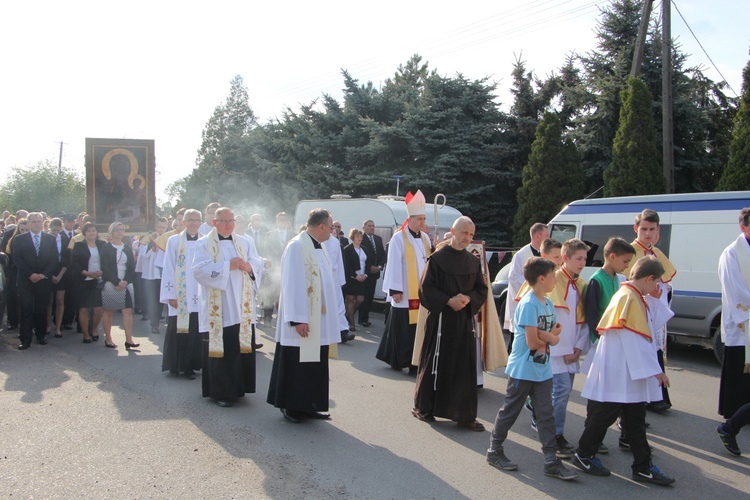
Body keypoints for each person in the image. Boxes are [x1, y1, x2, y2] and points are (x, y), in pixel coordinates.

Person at [572, 256, 675, 485]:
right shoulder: (629, 297)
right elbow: (635, 340)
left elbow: (648, 327)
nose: (657, 286)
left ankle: (642, 466)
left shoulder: (635, 295)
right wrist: (654, 370)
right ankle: (583, 454)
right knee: (605, 416)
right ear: (649, 278)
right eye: (656, 281)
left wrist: (656, 301)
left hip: (626, 372)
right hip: (619, 372)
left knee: (635, 418)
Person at [486, 257, 577, 481]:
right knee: (510, 412)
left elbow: (554, 330)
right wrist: (551, 339)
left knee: (546, 415)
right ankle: (494, 451)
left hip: (542, 370)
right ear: (541, 278)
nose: (556, 280)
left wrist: (547, 336)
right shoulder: (528, 304)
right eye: (553, 276)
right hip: (523, 370)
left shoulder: (546, 302)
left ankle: (550, 461)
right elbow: (533, 342)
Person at [412, 216, 487, 431]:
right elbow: (426, 288)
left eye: (471, 234)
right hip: (441, 322)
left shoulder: (473, 261)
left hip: (463, 322)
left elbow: (481, 290)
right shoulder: (437, 259)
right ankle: (424, 407)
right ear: (453, 232)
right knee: (435, 363)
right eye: (464, 233)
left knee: (463, 368)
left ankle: (464, 415)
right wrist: (448, 301)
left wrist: (468, 299)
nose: (468, 238)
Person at [267, 209, 342, 423]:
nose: (332, 231)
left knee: (314, 364)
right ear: (321, 227)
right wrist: (297, 319)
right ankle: (291, 406)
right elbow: (291, 284)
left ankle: (311, 404)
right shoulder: (297, 246)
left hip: (318, 319)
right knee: (296, 363)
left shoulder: (320, 247)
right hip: (302, 319)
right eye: (331, 227)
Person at [193, 207, 264, 407]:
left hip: (242, 306)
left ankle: (240, 388)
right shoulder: (203, 243)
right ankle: (221, 392)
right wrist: (227, 266)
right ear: (214, 222)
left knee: (239, 345)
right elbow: (198, 271)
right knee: (223, 348)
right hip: (220, 306)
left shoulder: (245, 241)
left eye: (231, 220)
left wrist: (251, 267)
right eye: (223, 221)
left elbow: (258, 262)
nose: (228, 224)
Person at [583, 237, 636, 450]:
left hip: (618, 343)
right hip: (603, 344)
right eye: (625, 261)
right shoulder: (596, 280)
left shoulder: (619, 278)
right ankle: (592, 432)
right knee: (598, 392)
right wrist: (601, 338)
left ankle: (619, 434)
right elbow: (592, 314)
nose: (627, 266)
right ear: (612, 257)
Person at [623, 209, 677, 413]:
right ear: (636, 228)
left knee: (655, 350)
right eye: (643, 229)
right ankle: (636, 405)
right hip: (636, 310)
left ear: (657, 230)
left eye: (651, 229)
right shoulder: (628, 252)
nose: (647, 233)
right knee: (640, 353)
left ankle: (655, 398)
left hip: (654, 311)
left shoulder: (657, 253)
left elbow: (665, 282)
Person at [376, 190, 432, 375]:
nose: (423, 223)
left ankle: (414, 361)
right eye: (420, 219)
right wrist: (395, 290)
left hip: (420, 292)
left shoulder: (424, 238)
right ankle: (405, 361)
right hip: (405, 293)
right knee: (404, 330)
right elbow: (392, 264)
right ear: (411, 219)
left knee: (417, 329)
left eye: (424, 219)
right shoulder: (398, 238)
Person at [546, 238, 590, 458]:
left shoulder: (582, 284)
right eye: (578, 258)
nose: (582, 263)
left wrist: (579, 348)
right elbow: (550, 318)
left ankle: (552, 431)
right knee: (561, 392)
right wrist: (563, 350)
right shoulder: (552, 280)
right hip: (556, 350)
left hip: (572, 350)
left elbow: (583, 321)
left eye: (584, 258)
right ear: (565, 258)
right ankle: (554, 436)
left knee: (563, 394)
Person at [160, 209, 203, 378]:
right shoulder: (174, 241)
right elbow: (168, 267)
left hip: (198, 293)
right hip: (180, 292)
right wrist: (170, 293)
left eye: (196, 220)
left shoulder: (206, 242)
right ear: (183, 222)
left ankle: (190, 366)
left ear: (200, 222)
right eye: (190, 220)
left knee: (194, 329)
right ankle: (174, 364)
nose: (193, 223)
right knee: (178, 329)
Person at [717, 207, 750, 423]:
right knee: (739, 368)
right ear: (743, 227)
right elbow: (734, 289)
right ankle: (733, 412)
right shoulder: (732, 252)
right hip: (742, 321)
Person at [12, 212, 59, 350]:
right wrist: (31, 274)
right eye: (33, 221)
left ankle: (41, 335)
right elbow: (17, 259)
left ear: (42, 222)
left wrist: (43, 274)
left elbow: (54, 260)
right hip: (26, 280)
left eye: (39, 221)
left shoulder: (50, 239)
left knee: (41, 309)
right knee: (26, 309)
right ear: (28, 223)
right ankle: (25, 339)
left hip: (43, 280)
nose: (36, 224)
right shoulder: (19, 239)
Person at [505, 223, 549, 352]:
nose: (548, 237)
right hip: (523, 302)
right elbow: (513, 278)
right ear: (537, 236)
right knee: (518, 340)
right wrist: (535, 285)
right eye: (546, 235)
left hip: (539, 302)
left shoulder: (544, 253)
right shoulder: (521, 255)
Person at [100, 222, 139, 349]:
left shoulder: (127, 248)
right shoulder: (106, 248)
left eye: (122, 229)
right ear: (112, 232)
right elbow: (105, 267)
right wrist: (116, 282)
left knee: (127, 311)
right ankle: (108, 338)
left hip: (126, 283)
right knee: (109, 311)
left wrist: (125, 281)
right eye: (117, 230)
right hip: (111, 283)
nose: (120, 232)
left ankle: (129, 340)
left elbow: (132, 267)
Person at [70, 222, 105, 343]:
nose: (92, 233)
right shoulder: (79, 245)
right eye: (89, 231)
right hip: (83, 280)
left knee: (98, 309)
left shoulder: (102, 244)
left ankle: (94, 329)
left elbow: (107, 261)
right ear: (84, 233)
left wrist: (100, 272)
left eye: (94, 230)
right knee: (84, 309)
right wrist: (87, 273)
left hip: (98, 280)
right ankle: (85, 334)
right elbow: (74, 263)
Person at [260, 212, 293, 324]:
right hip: (273, 268)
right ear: (276, 221)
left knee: (286, 294)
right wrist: (270, 267)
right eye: (280, 220)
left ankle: (284, 318)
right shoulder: (269, 235)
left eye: (284, 219)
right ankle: (267, 318)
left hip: (288, 269)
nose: (282, 222)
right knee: (270, 293)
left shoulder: (293, 235)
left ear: (287, 221)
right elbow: (266, 251)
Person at [359, 219, 386, 328]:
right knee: (364, 297)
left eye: (373, 226)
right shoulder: (362, 239)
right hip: (365, 272)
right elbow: (361, 254)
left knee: (370, 296)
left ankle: (366, 317)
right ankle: (362, 318)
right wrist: (370, 267)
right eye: (369, 226)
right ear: (364, 227)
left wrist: (379, 267)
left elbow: (382, 255)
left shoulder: (378, 239)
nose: (372, 228)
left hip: (375, 273)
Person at [46, 218, 69, 338]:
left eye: (58, 231)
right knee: (48, 301)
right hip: (48, 271)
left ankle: (58, 327)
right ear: (49, 228)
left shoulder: (65, 240)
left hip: (62, 272)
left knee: (60, 300)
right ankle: (48, 325)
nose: (55, 233)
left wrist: (59, 275)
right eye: (53, 230)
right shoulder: (45, 239)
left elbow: (67, 259)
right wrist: (50, 275)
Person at [342, 228, 368, 332]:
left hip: (362, 278)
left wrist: (365, 275)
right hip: (351, 278)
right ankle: (352, 324)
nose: (360, 238)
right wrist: (354, 275)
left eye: (361, 236)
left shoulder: (364, 249)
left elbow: (368, 263)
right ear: (353, 237)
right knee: (350, 300)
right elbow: (346, 265)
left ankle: (349, 315)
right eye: (357, 236)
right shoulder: (347, 249)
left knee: (360, 299)